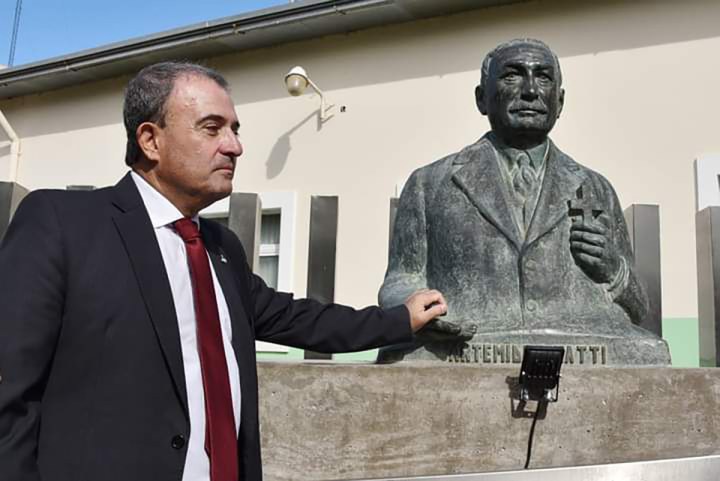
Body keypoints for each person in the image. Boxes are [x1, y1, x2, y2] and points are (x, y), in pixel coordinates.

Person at [0, 62, 448, 481]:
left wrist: (399, 320)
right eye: (212, 128)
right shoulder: (63, 223)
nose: (234, 145)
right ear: (150, 140)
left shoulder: (221, 247)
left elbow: (297, 319)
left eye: (234, 130)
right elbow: (10, 392)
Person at [379, 38, 669, 364]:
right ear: (481, 98)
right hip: (467, 343)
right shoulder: (429, 184)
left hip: (581, 348)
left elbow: (639, 307)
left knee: (648, 351)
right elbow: (399, 282)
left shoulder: (595, 186)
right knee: (406, 355)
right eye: (513, 76)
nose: (530, 90)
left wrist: (614, 270)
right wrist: (423, 313)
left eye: (543, 77)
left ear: (559, 102)